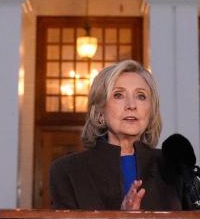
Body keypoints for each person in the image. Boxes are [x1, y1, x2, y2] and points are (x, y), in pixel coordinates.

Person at [49, 59, 183, 210]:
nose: (131, 105)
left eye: (141, 96)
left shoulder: (174, 166)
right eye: (118, 95)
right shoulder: (68, 170)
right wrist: (121, 217)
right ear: (100, 112)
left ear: (151, 112)